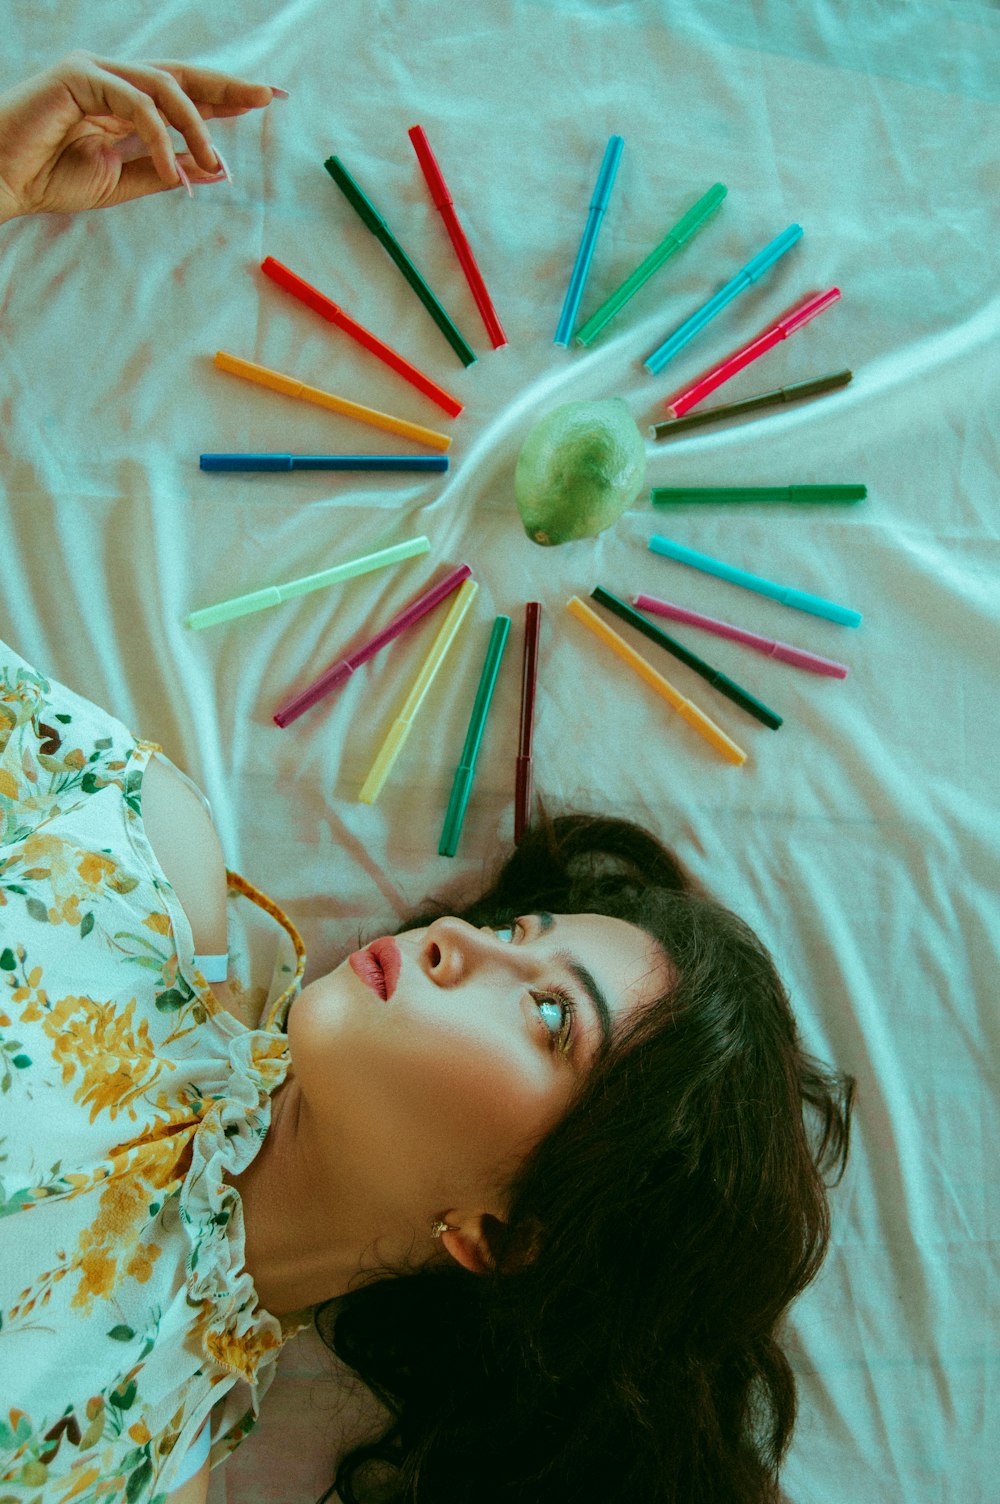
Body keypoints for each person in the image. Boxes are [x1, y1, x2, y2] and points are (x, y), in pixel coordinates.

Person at [0, 53, 856, 1504]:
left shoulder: (142, 1458)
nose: (457, 939)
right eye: (521, 935)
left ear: (501, 1236)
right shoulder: (140, 865)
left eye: (545, 1016)